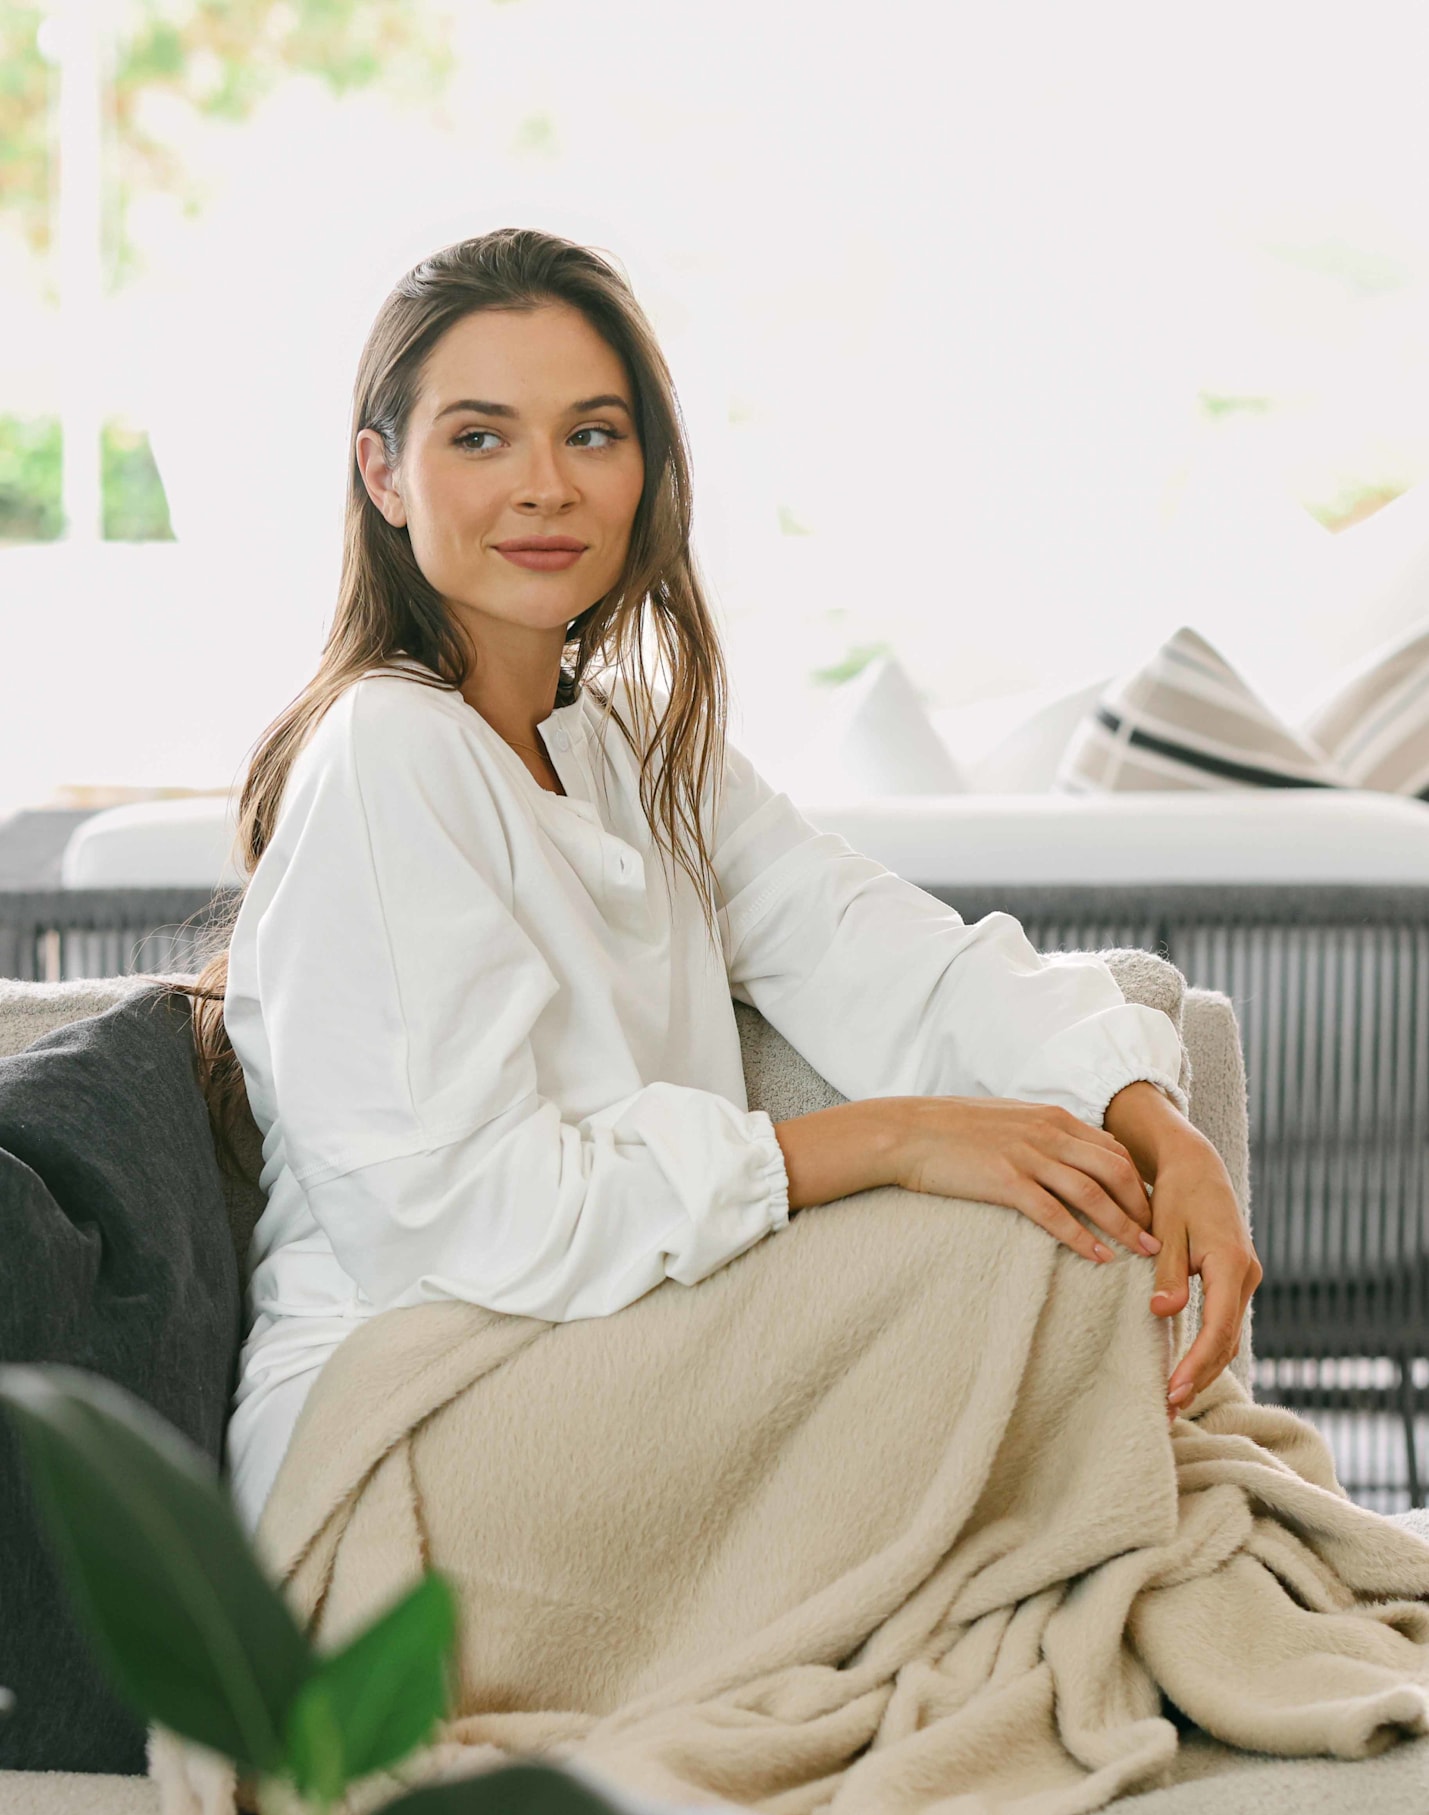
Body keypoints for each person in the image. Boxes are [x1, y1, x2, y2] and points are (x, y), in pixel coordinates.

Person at [179, 228, 1261, 1538]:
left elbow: (887, 955)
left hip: (630, 1351)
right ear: (384, 475)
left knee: (1082, 1223)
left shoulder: (640, 746)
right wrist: (888, 1140)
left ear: (646, 471)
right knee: (1019, 1252)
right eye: (478, 438)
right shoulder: (387, 748)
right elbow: (459, 1218)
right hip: (409, 1425)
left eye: (591, 434)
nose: (543, 486)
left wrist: (1156, 1119)